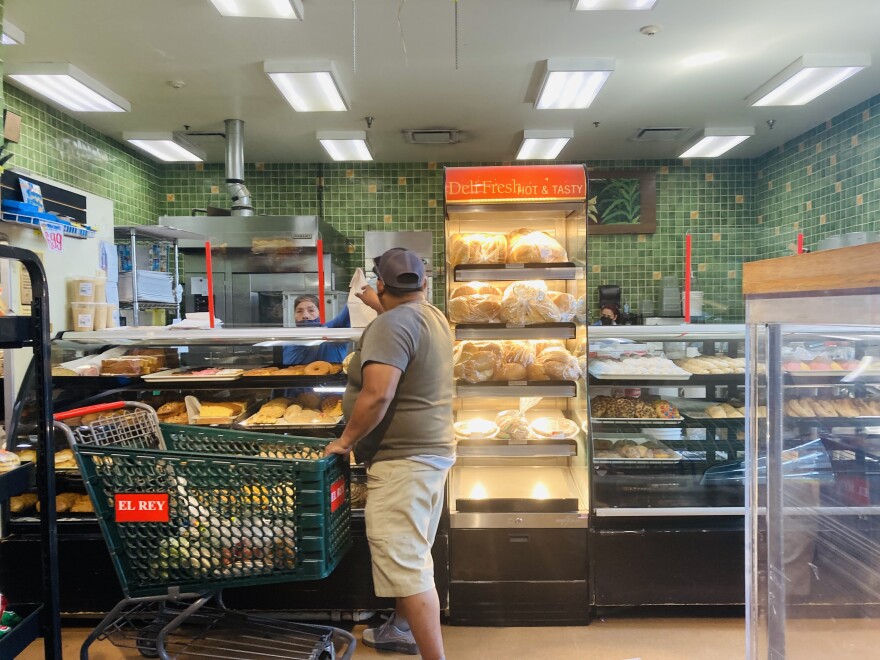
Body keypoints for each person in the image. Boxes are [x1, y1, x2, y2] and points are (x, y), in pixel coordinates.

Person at [324, 247, 453, 660]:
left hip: (403, 461)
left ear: (382, 284)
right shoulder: (431, 316)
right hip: (430, 455)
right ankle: (401, 629)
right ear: (425, 284)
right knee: (412, 554)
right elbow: (400, 315)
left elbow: (378, 395)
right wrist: (373, 303)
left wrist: (344, 442)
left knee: (408, 566)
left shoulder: (390, 325)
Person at [282, 293, 380, 365]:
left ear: (319, 313)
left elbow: (350, 307)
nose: (305, 316)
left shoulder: (332, 330)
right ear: (294, 315)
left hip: (329, 391)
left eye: (311, 310)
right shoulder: (288, 339)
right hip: (292, 392)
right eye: (299, 311)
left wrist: (359, 289)